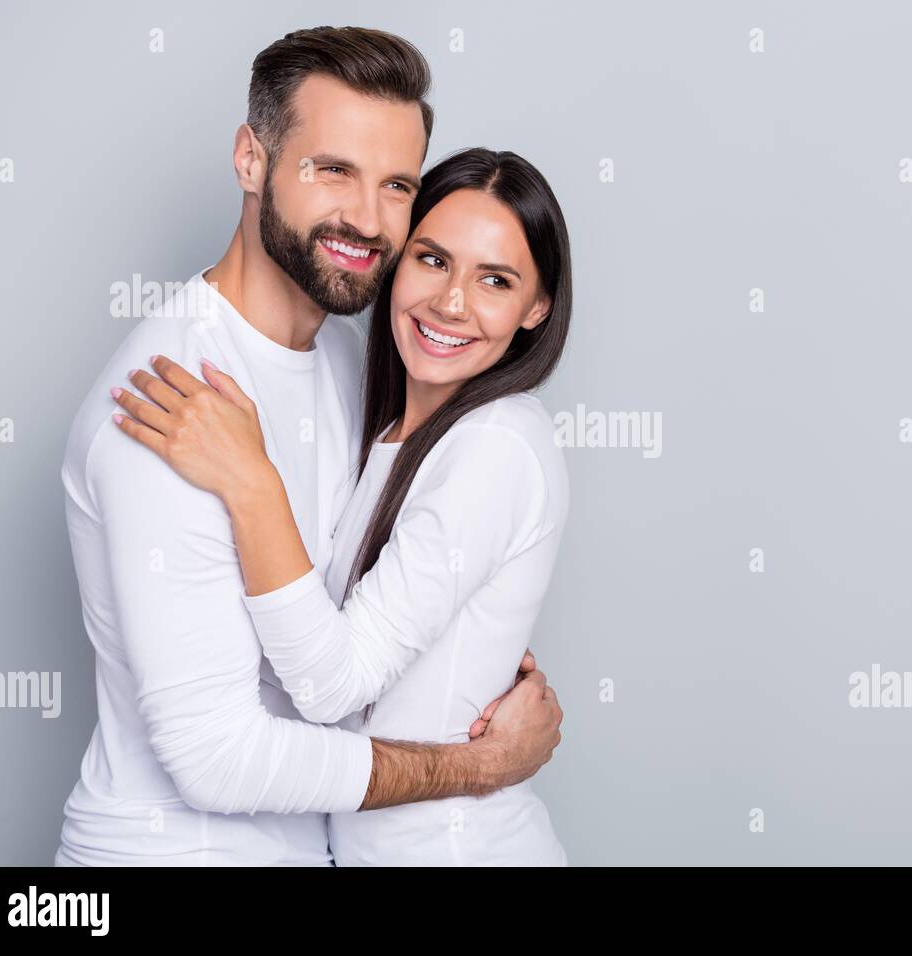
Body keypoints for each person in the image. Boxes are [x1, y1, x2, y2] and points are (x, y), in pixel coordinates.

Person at [55, 27, 562, 867]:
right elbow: (217, 760)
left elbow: (357, 629)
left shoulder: (352, 359)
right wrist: (477, 764)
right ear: (251, 160)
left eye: (395, 184)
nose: (366, 220)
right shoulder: (170, 404)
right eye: (333, 170)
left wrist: (476, 658)